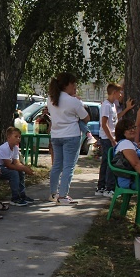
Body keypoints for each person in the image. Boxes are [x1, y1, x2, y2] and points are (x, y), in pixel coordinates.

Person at [47, 72, 89, 205]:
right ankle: (63, 196)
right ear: (67, 85)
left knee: (57, 165)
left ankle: (53, 193)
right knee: (68, 167)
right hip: (71, 135)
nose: (75, 86)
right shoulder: (73, 101)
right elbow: (86, 118)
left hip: (56, 135)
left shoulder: (51, 98)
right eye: (73, 84)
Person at [96, 84, 134, 197]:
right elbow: (104, 123)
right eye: (119, 92)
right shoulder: (106, 105)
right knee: (110, 163)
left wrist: (127, 109)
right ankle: (109, 188)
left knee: (105, 162)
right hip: (107, 138)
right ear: (114, 93)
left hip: (110, 137)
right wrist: (112, 139)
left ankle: (101, 187)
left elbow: (115, 117)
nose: (121, 94)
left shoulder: (112, 105)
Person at [0, 126, 36, 206]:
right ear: (8, 137)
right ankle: (15, 198)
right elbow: (9, 165)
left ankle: (22, 195)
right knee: (13, 173)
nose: (18, 139)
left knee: (20, 171)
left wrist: (24, 168)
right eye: (16, 136)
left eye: (19, 137)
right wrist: (24, 168)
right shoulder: (4, 148)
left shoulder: (15, 148)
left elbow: (16, 163)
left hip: (2, 167)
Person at [113, 117, 140, 205]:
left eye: (133, 127)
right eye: (128, 129)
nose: (132, 130)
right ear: (122, 132)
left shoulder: (133, 144)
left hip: (138, 177)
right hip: (130, 179)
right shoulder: (125, 144)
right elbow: (136, 164)